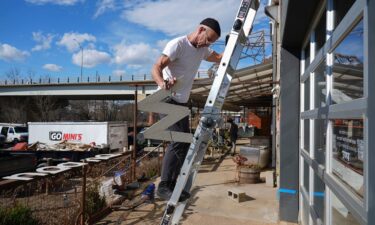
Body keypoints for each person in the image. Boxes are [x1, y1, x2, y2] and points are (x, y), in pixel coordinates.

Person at [152, 18, 222, 201]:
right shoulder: (178, 45)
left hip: (181, 102)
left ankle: (173, 184)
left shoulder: (203, 50)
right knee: (177, 141)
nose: (208, 44)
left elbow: (220, 58)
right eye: (208, 39)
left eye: (212, 42)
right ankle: (164, 186)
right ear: (200, 30)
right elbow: (156, 66)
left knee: (184, 144)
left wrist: (235, 44)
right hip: (166, 98)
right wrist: (162, 83)